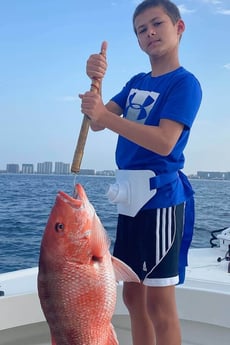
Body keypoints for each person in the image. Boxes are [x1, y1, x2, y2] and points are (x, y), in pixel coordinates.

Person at [79, 1, 202, 344]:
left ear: (178, 28)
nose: (149, 33)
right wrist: (95, 84)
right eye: (140, 30)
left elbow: (165, 141)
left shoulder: (184, 84)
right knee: (133, 296)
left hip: (161, 201)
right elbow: (97, 121)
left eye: (157, 24)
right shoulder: (136, 82)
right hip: (129, 201)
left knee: (160, 303)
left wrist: (106, 118)